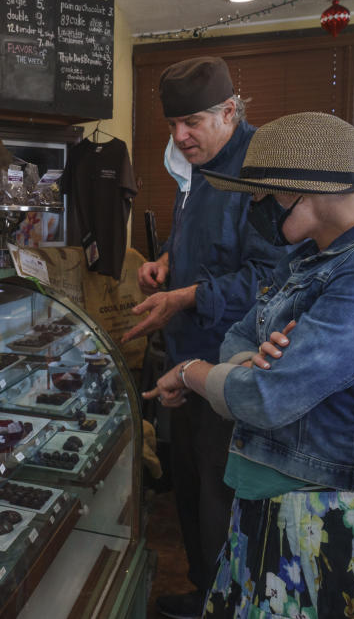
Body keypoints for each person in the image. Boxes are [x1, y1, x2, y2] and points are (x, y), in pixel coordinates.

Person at [144, 111, 354, 618]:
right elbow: (241, 337)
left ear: (306, 191)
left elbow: (266, 397)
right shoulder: (308, 258)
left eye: (262, 196)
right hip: (273, 513)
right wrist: (246, 362)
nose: (254, 208)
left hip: (332, 525)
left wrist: (189, 372)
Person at [122, 57, 290, 618]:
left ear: (229, 110)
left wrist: (185, 298)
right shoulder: (195, 161)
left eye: (191, 122)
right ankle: (203, 590)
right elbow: (206, 242)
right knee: (193, 484)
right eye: (172, 125)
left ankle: (230, 603)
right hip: (187, 355)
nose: (179, 136)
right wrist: (169, 262)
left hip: (235, 364)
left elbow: (274, 278)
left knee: (223, 494)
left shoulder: (263, 167)